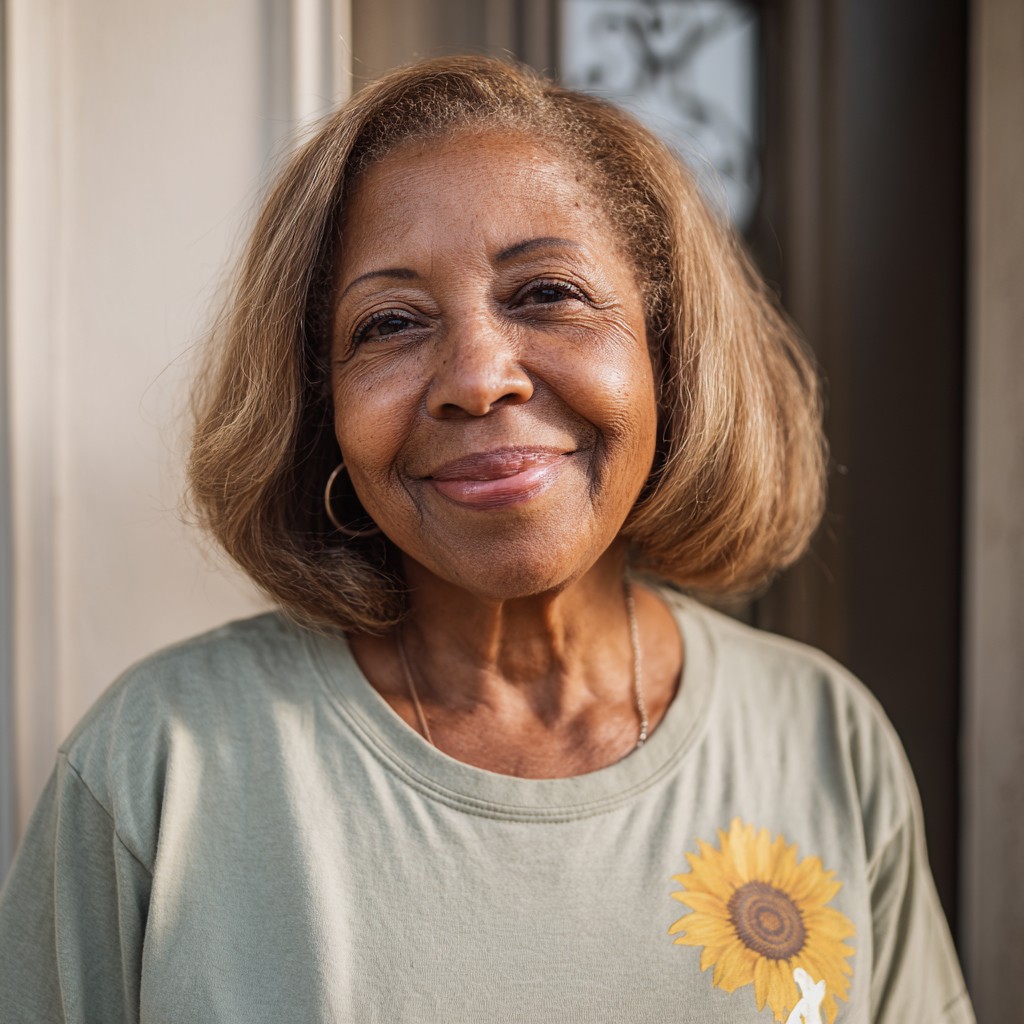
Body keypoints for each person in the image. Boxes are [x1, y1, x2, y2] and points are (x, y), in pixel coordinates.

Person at [0, 56, 973, 1023]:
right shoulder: (157, 766)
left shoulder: (822, 742)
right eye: (390, 322)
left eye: (547, 294)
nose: (477, 377)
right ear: (320, 405)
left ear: (667, 353)